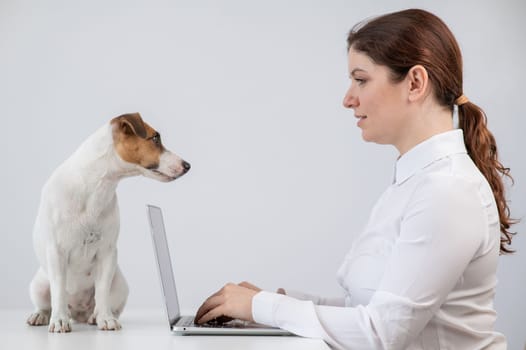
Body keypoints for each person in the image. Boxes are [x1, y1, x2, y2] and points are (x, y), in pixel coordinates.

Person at [194, 8, 516, 350]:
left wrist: (263, 307)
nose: (348, 99)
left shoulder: (447, 190)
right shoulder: (418, 181)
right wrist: (270, 304)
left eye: (360, 79)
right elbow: (367, 312)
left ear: (415, 83)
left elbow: (381, 333)